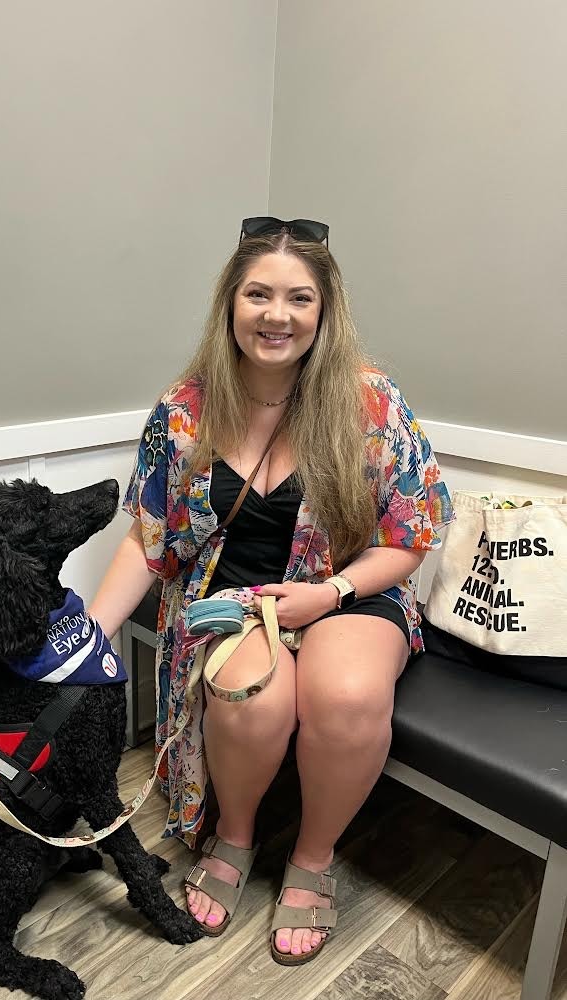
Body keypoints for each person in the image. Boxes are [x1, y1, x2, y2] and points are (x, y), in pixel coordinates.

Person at [88, 216, 454, 966]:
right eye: (258, 294)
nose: (276, 315)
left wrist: (331, 594)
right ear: (231, 302)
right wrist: (86, 641)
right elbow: (147, 536)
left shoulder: (370, 402)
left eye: (299, 298)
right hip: (235, 598)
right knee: (249, 692)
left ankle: (312, 859)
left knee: (346, 695)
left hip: (351, 587)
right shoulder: (186, 407)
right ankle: (237, 836)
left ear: (325, 311)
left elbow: (409, 539)